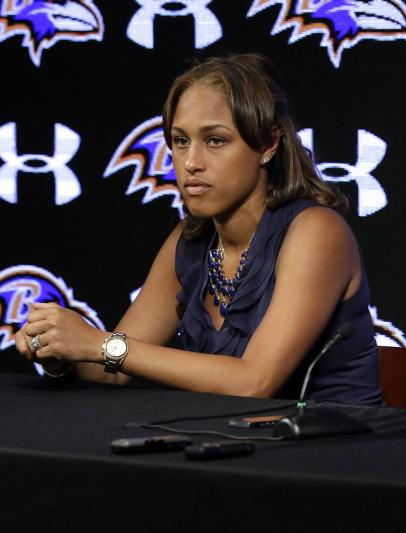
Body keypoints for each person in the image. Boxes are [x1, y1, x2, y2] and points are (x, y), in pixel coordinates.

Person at [15, 53, 382, 405]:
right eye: (180, 141)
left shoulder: (316, 232)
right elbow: (112, 372)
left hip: (332, 454)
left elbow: (254, 383)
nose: (191, 162)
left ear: (269, 143)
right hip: (234, 447)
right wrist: (60, 350)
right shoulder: (190, 240)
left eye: (215, 140)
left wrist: (98, 344)